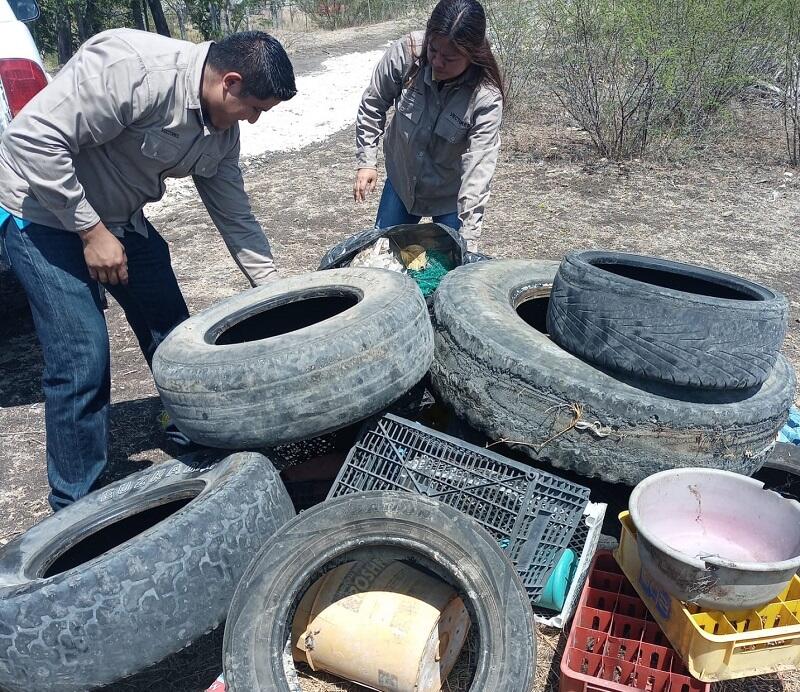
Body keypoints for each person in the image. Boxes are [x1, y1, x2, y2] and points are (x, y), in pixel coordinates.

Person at [0, 29, 297, 511]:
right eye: (256, 108)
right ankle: (75, 507)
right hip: (41, 214)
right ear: (232, 84)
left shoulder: (220, 130)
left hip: (118, 220)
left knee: (175, 337)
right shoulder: (134, 70)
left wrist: (277, 291)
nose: (254, 120)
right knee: (82, 355)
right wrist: (91, 232)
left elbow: (235, 214)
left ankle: (189, 429)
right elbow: (31, 140)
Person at [353, 0, 504, 253]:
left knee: (448, 270)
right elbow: (373, 103)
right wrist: (367, 161)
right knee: (384, 257)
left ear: (472, 54)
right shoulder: (407, 53)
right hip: (402, 183)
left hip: (448, 196)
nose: (437, 62)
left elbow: (478, 169)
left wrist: (468, 240)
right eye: (433, 50)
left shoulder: (485, 97)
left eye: (450, 58)